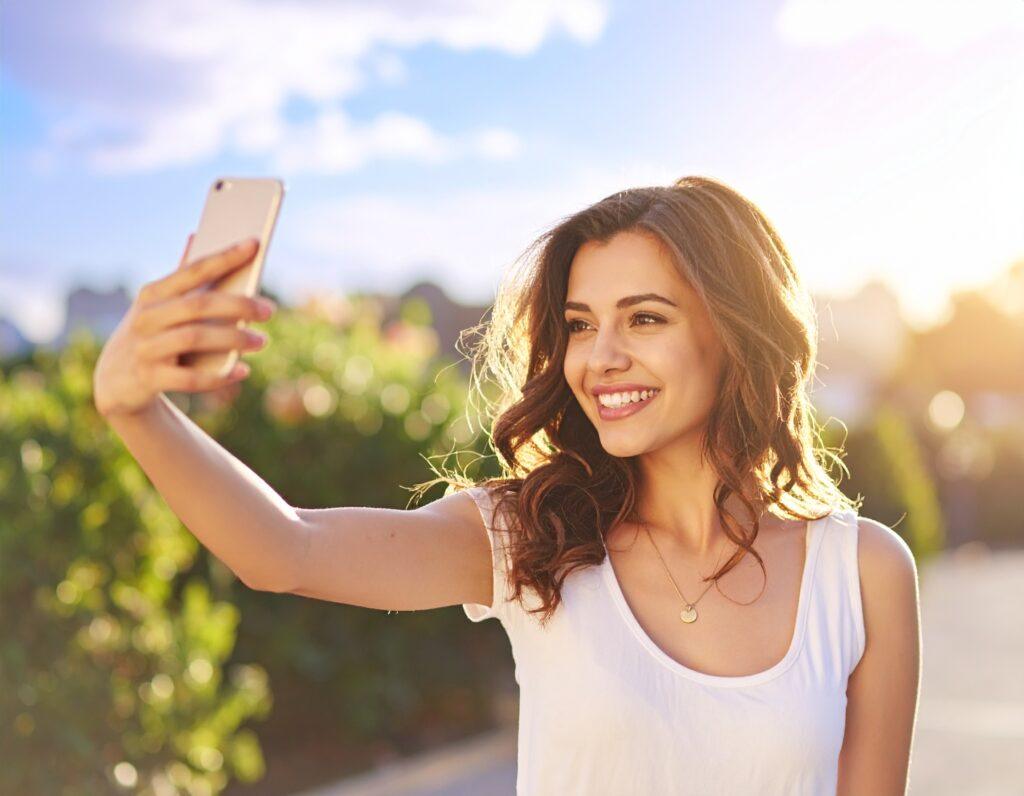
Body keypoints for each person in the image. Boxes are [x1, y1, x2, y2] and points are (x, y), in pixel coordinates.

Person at [93, 175, 921, 795]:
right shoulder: (530, 537)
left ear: (736, 333)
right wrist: (137, 412)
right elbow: (285, 550)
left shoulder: (863, 575)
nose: (601, 358)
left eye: (645, 318)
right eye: (579, 325)